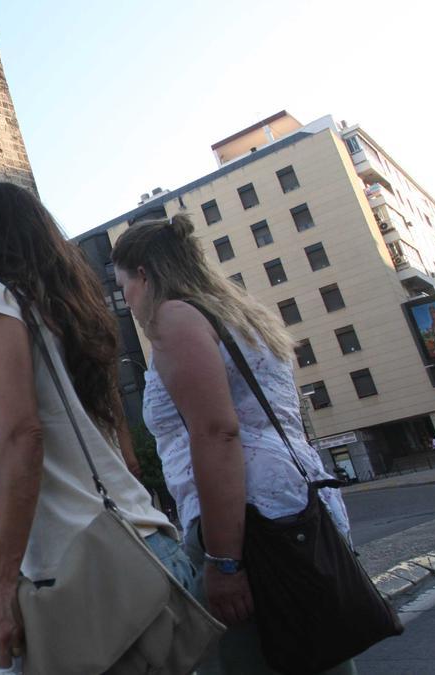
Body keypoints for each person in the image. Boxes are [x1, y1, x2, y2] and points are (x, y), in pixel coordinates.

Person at [0, 183, 189, 671]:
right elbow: (128, 456)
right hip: (149, 549)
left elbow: (20, 435)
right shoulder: (67, 316)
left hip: (87, 568)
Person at [111, 213, 353, 674]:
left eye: (125, 288)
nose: (128, 303)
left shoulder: (175, 317)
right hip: (292, 504)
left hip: (245, 521)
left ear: (143, 275)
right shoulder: (237, 314)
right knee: (318, 654)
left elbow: (216, 432)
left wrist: (224, 562)